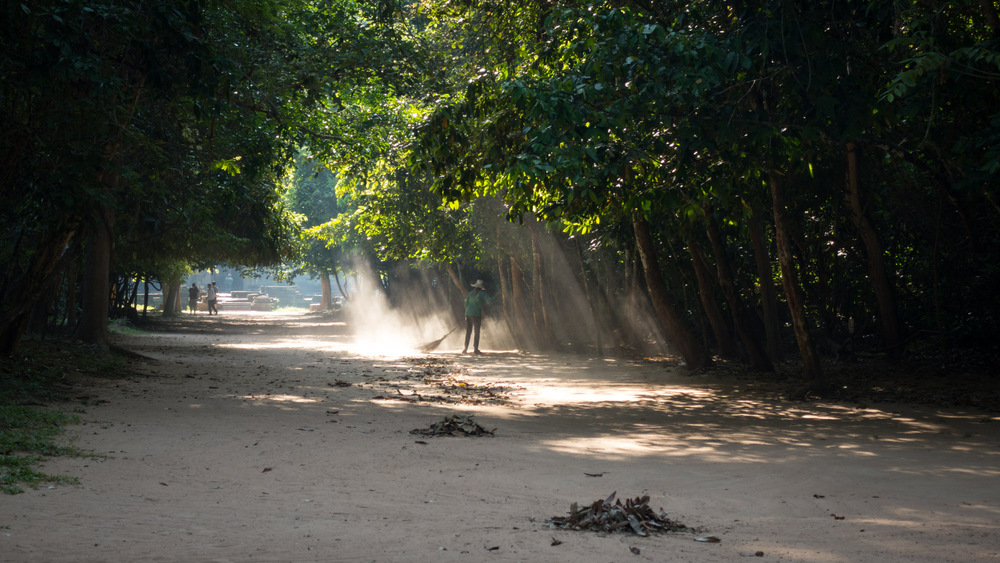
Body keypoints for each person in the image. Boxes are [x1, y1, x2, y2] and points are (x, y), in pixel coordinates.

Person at [463, 279, 495, 355]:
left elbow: (466, 304)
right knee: (476, 332)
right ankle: (475, 349)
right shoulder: (482, 293)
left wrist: (466, 314)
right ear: (481, 287)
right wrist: (497, 296)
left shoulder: (470, 294)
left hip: (468, 314)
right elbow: (489, 301)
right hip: (476, 315)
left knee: (468, 332)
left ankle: (465, 349)